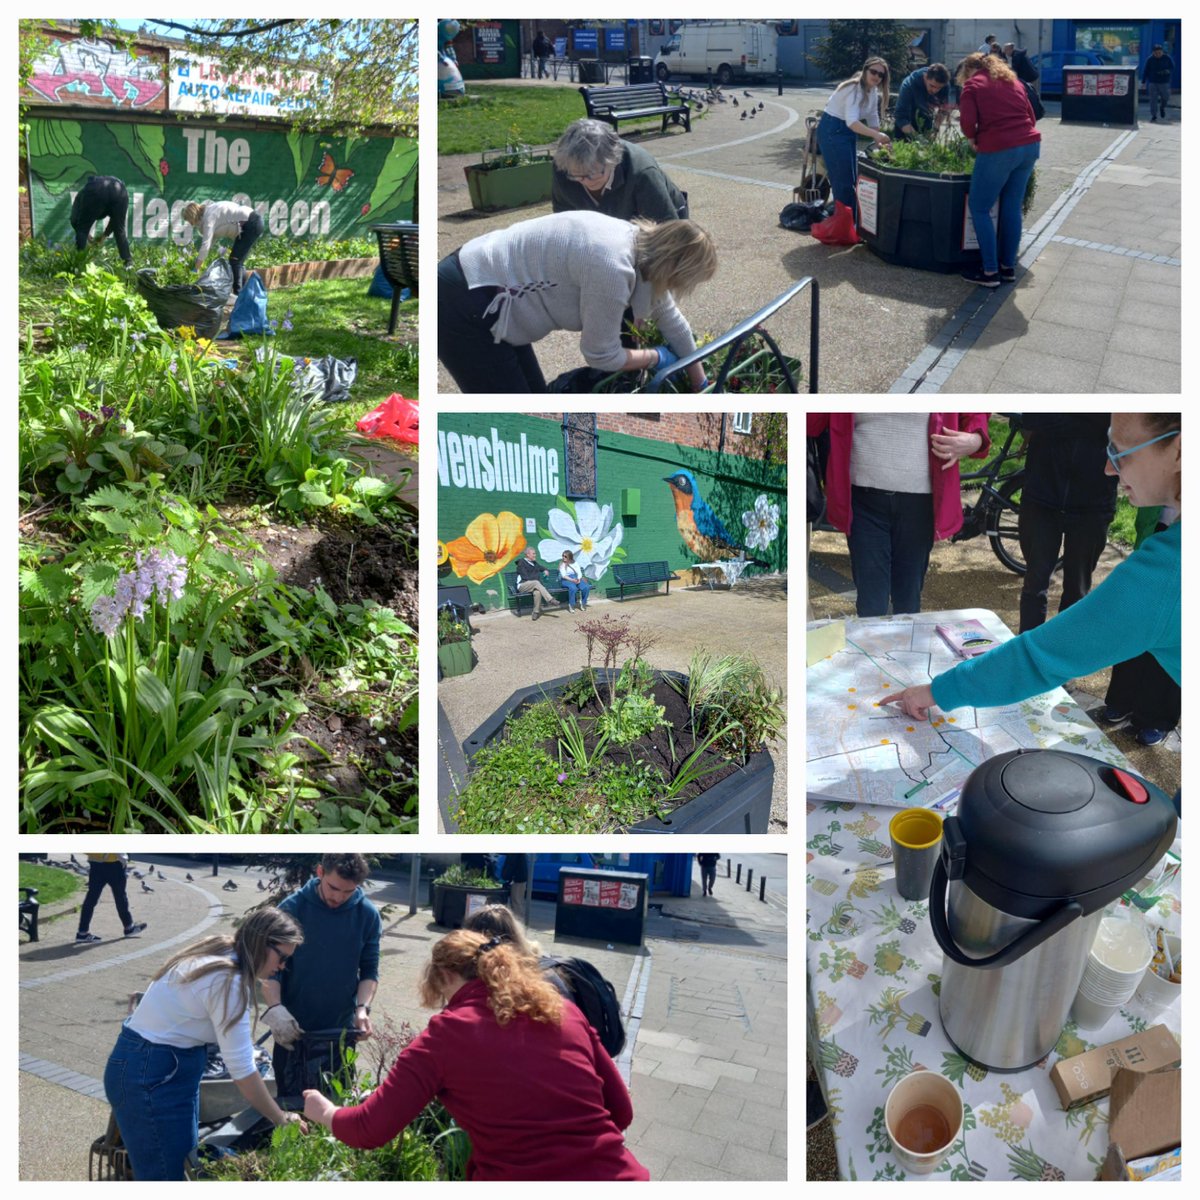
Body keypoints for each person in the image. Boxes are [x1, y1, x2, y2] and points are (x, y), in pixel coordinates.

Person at [882, 413, 1180, 724]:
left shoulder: (1168, 573)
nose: (1107, 467)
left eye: (1119, 452)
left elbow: (1041, 657)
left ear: (1179, 451)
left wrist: (935, 692)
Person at [302, 930, 650, 1180]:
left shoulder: (445, 1035)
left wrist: (326, 1112)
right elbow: (621, 1110)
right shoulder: (562, 1010)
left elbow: (370, 1129)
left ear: (444, 975)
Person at [103, 908, 306, 1180]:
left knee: (181, 1165)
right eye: (282, 957)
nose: (282, 967)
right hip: (152, 1075)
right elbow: (243, 1071)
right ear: (262, 942)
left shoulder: (224, 948)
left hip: (156, 1067)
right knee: (166, 1177)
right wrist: (280, 1118)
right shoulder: (228, 980)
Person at [438, 210, 715, 393]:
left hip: (487, 297)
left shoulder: (640, 247)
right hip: (465, 301)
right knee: (511, 416)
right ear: (674, 270)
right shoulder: (612, 267)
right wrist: (657, 357)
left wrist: (699, 381)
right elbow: (601, 355)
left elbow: (673, 322)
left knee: (536, 402)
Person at [806, 413, 990, 618]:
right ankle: (871, 650)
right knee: (871, 604)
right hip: (863, 504)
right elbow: (811, 423)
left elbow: (975, 413)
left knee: (908, 601)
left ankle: (907, 650)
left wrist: (975, 439)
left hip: (919, 506)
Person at [261, 854, 381, 1094]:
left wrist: (362, 1009)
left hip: (339, 1030)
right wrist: (275, 1009)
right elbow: (270, 969)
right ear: (320, 872)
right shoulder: (291, 909)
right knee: (291, 1100)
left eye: (348, 892)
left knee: (336, 1098)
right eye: (333, 887)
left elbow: (369, 969)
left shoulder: (367, 915)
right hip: (293, 1028)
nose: (338, 897)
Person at [1015, 415, 1118, 634]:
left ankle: (1063, 662)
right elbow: (1033, 420)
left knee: (1077, 591)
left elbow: (1119, 426)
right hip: (1042, 494)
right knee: (1035, 584)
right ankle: (1027, 659)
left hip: (1093, 501)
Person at [957, 52, 1040, 287]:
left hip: (999, 148)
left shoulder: (973, 85)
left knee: (980, 207)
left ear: (970, 70)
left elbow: (966, 121)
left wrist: (972, 138)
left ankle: (990, 272)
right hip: (1030, 145)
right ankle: (1008, 268)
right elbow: (1031, 117)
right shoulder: (1013, 82)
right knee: (1011, 205)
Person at [1099, 506, 1181, 746]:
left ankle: (1158, 718)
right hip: (1157, 528)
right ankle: (1122, 701)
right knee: (1133, 627)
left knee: (1172, 637)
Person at [552, 118, 688, 223]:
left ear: (613, 160)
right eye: (577, 176)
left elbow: (667, 230)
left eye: (593, 174)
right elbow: (564, 219)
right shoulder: (565, 166)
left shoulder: (643, 173)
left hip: (656, 222)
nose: (586, 182)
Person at [817, 57, 891, 220]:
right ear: (865, 70)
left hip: (845, 131)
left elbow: (872, 116)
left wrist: (878, 140)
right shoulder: (854, 88)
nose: (877, 76)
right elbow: (852, 122)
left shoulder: (872, 91)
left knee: (850, 178)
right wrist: (876, 135)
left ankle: (850, 223)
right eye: (873, 71)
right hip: (833, 129)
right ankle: (844, 225)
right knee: (843, 181)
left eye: (881, 75)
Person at [181, 199, 265, 293]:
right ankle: (244, 294)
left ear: (193, 216)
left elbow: (206, 245)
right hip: (252, 223)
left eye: (189, 220)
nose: (191, 224)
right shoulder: (209, 213)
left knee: (235, 260)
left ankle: (238, 295)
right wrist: (200, 259)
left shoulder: (209, 217)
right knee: (238, 261)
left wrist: (196, 268)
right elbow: (210, 242)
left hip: (250, 223)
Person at [75, 853, 146, 943]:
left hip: (96, 864)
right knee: (120, 897)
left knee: (91, 898)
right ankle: (129, 927)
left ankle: (82, 933)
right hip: (113, 864)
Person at [70, 175, 132, 266]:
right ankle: (128, 263)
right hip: (120, 190)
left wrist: (86, 234)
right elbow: (116, 223)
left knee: (82, 229)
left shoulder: (82, 196)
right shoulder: (83, 196)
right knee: (120, 230)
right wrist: (104, 236)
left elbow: (75, 221)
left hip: (98, 189)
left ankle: (80, 264)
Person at [892, 63, 951, 140]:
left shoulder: (944, 85)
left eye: (938, 88)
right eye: (932, 86)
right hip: (905, 125)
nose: (935, 90)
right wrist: (920, 140)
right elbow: (900, 117)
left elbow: (943, 110)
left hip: (926, 121)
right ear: (925, 77)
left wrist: (935, 130)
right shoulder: (908, 85)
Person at [514, 546, 560, 620]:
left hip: (533, 585)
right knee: (536, 582)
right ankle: (550, 600)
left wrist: (545, 570)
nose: (535, 555)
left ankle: (535, 612)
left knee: (538, 592)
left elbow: (542, 567)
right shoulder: (521, 563)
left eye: (535, 554)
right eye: (533, 554)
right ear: (527, 555)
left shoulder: (534, 563)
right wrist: (536, 578)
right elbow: (526, 577)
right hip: (523, 585)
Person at [1143, 44, 1175, 122]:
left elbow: (1172, 67)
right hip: (1153, 82)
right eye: (1156, 53)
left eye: (1159, 52)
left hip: (1164, 82)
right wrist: (1144, 81)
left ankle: (1162, 107)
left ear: (1162, 52)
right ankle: (1154, 115)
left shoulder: (1167, 58)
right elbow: (1146, 70)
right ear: (1153, 53)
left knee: (1166, 97)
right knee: (1153, 100)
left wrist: (1167, 71)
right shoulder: (1150, 59)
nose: (1158, 54)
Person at [498, 852, 531, 920]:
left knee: (516, 902)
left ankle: (518, 924)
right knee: (517, 902)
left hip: (517, 879)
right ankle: (517, 923)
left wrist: (505, 877)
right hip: (518, 878)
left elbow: (510, 863)